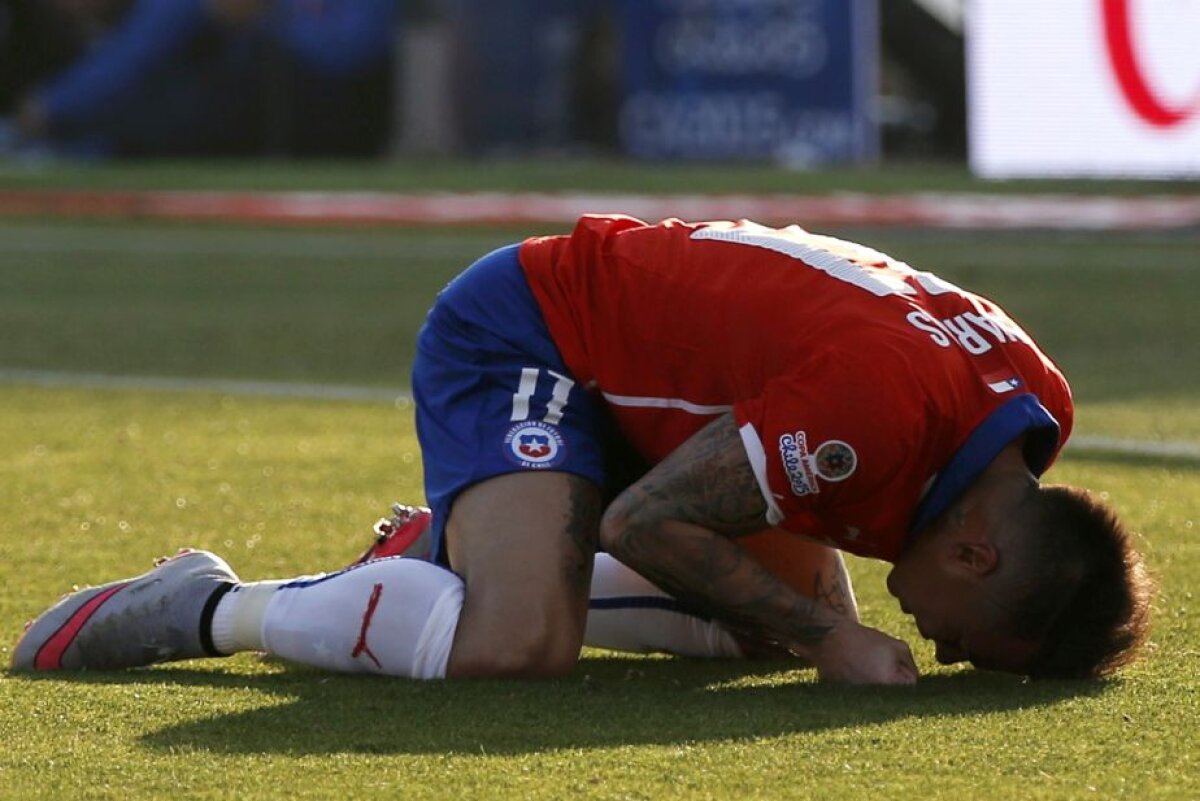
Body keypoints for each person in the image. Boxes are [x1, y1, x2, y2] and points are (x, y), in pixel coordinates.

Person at [12, 216, 1152, 683]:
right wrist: (828, 636)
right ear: (978, 555)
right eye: (970, 645)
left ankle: (446, 554)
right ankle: (211, 607)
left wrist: (805, 629)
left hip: (673, 401)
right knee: (519, 646)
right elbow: (643, 522)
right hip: (531, 334)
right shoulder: (879, 417)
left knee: (754, 631)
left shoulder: (1027, 400)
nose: (945, 653)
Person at [7, 0, 395, 157]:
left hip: (332, 110)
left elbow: (352, 50)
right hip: (257, 100)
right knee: (178, 56)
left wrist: (267, 16)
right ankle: (63, 128)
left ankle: (47, 118)